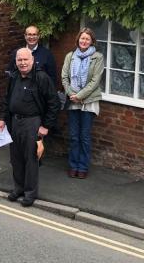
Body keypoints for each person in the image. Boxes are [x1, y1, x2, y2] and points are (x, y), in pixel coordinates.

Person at [0, 48, 60, 207]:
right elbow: (7, 99)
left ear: (32, 61)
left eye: (26, 60)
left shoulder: (41, 78)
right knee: (16, 158)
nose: (23, 63)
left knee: (31, 159)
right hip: (14, 122)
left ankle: (30, 192)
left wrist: (46, 126)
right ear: (16, 62)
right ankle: (18, 188)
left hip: (33, 123)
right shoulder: (13, 77)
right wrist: (3, 118)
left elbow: (54, 103)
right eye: (20, 60)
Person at [61, 27, 104, 179]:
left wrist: (80, 95)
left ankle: (83, 166)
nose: (84, 41)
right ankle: (73, 165)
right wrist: (71, 93)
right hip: (73, 101)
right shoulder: (70, 56)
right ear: (78, 39)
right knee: (73, 136)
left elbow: (95, 81)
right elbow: (65, 77)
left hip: (89, 102)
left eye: (87, 39)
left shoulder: (97, 57)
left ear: (92, 41)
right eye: (82, 38)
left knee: (84, 136)